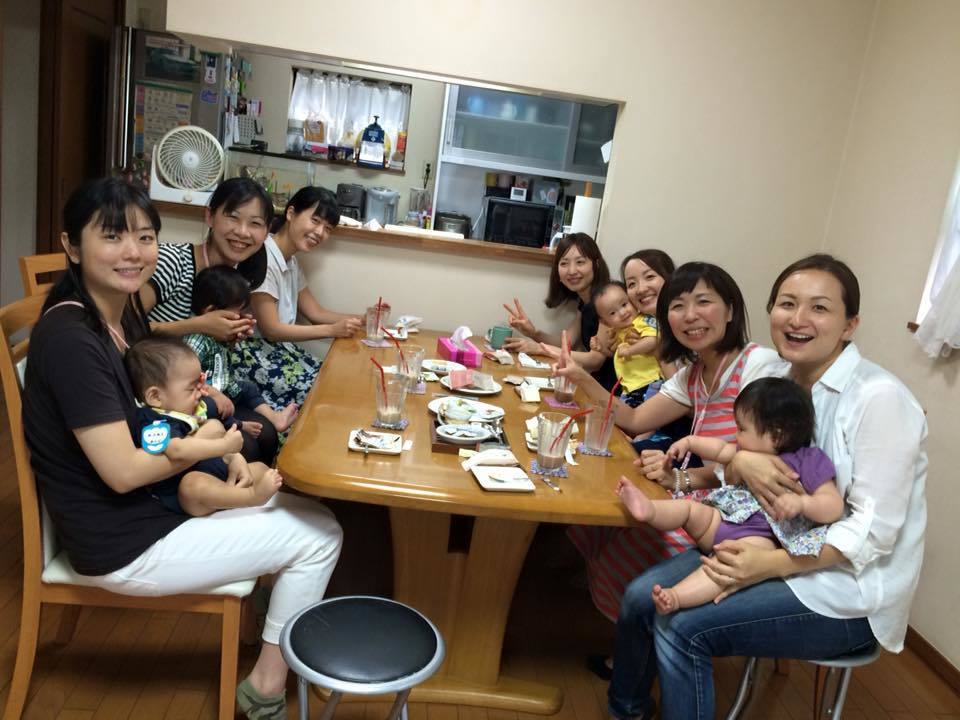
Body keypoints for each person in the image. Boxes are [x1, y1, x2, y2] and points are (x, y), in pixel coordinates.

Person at [22, 177, 343, 720]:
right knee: (320, 535)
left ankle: (277, 621)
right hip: (123, 537)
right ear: (72, 246)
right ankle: (266, 688)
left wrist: (220, 448)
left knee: (310, 513)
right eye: (112, 236)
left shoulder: (120, 315)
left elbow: (157, 416)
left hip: (152, 503)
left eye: (145, 237)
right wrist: (212, 445)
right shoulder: (73, 339)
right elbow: (123, 471)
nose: (133, 252)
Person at [607, 254, 927, 720]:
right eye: (787, 304)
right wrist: (706, 473)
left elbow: (874, 533)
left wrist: (771, 564)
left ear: (850, 324)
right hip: (763, 540)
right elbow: (742, 468)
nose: (798, 319)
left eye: (819, 308)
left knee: (681, 627)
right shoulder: (776, 380)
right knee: (640, 597)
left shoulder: (880, 399)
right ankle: (628, 710)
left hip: (842, 591)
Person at [561, 262, 787, 680]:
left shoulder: (758, 365)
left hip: (748, 513)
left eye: (703, 302)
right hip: (712, 493)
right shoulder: (694, 373)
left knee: (640, 537)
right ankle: (636, 645)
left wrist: (684, 479)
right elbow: (635, 419)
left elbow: (769, 461)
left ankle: (638, 657)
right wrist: (581, 377)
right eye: (678, 306)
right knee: (606, 520)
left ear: (730, 310)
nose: (690, 315)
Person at [616, 377, 843, 615]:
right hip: (720, 520)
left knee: (726, 566)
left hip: (758, 538)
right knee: (688, 510)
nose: (736, 435)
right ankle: (649, 510)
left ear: (776, 436)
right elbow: (719, 449)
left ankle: (677, 596)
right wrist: (689, 442)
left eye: (742, 429)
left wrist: (803, 503)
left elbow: (833, 505)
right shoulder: (747, 450)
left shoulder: (809, 461)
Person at [140, 177, 279, 464]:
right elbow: (127, 329)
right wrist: (199, 325)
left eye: (255, 223)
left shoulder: (239, 278)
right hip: (163, 394)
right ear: (210, 216)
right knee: (246, 446)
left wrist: (229, 335)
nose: (243, 232)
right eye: (233, 217)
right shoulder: (172, 261)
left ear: (266, 231)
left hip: (205, 387)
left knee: (267, 433)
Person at [232, 185, 363, 412]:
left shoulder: (290, 261)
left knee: (336, 378)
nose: (320, 233)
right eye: (315, 220)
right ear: (291, 213)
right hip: (253, 357)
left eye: (328, 228)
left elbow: (315, 313)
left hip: (279, 351)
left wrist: (364, 319)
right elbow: (272, 330)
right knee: (325, 393)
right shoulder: (262, 257)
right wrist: (333, 330)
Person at [125, 336, 284, 517]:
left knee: (262, 470)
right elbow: (177, 450)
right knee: (192, 485)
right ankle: (251, 496)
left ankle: (237, 495)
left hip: (219, 475)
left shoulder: (189, 408)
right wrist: (224, 446)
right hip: (187, 493)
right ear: (155, 397)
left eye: (200, 383)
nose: (200, 391)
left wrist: (233, 457)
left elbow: (218, 431)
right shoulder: (152, 420)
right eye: (191, 388)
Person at [184, 265, 299, 436]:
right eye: (235, 313)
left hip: (225, 386)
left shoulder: (220, 334)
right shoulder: (196, 340)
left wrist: (232, 341)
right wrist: (215, 394)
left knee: (248, 387)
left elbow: (222, 362)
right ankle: (238, 425)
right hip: (207, 394)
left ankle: (274, 418)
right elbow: (189, 379)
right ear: (210, 311)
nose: (240, 318)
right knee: (211, 407)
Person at [501, 233, 618, 390]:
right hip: (597, 386)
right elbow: (566, 343)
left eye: (580, 262)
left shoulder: (607, 301)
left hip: (615, 391)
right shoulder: (585, 302)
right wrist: (533, 333)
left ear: (596, 264)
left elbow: (595, 360)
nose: (572, 270)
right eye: (564, 263)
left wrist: (541, 349)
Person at [591, 281, 661, 407]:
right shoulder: (619, 330)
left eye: (624, 304)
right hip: (630, 387)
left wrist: (630, 351)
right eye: (613, 313)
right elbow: (618, 354)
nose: (623, 313)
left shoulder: (643, 320)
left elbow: (652, 341)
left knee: (644, 416)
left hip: (650, 382)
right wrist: (602, 350)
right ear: (605, 322)